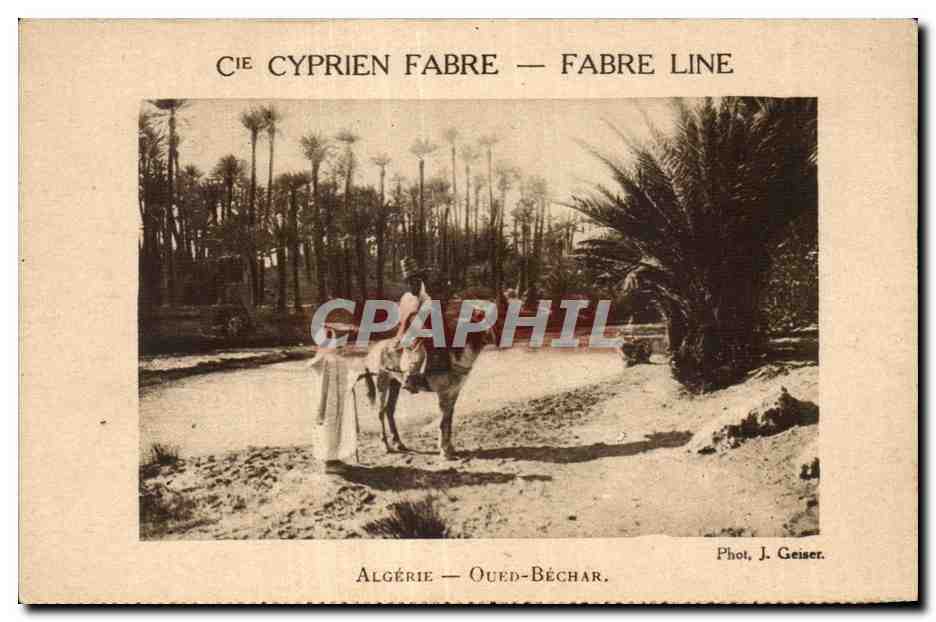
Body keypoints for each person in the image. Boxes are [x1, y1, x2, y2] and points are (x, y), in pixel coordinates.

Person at [308, 326, 358, 475]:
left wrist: (352, 382)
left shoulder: (338, 359)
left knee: (338, 428)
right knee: (328, 428)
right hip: (327, 400)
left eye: (332, 338)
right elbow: (315, 369)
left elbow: (347, 377)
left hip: (339, 399)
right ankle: (328, 462)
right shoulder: (322, 360)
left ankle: (335, 458)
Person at [397, 257, 433, 393]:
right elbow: (404, 320)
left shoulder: (426, 297)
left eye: (415, 281)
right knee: (420, 353)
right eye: (409, 283)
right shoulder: (406, 298)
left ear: (420, 281)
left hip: (422, 330)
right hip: (409, 333)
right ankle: (409, 378)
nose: (412, 285)